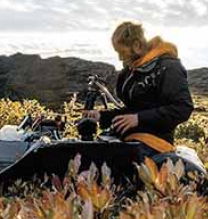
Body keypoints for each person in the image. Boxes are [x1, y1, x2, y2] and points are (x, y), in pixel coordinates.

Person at [83, 21, 194, 156]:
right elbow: (133, 110)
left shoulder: (168, 67)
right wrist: (102, 116)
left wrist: (139, 119)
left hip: (155, 143)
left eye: (122, 52)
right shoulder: (131, 71)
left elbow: (182, 107)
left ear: (136, 45)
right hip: (130, 138)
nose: (120, 58)